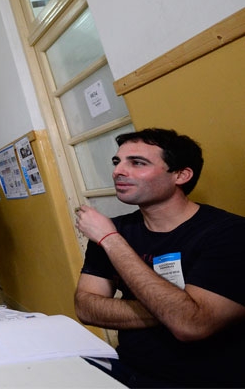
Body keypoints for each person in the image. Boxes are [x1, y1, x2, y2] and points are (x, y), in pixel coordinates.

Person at [74, 128, 245, 387]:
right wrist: (175, 310)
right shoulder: (115, 228)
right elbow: (86, 307)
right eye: (117, 162)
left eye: (138, 163)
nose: (118, 171)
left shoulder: (229, 233)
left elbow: (192, 326)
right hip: (127, 369)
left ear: (180, 174)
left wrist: (111, 241)